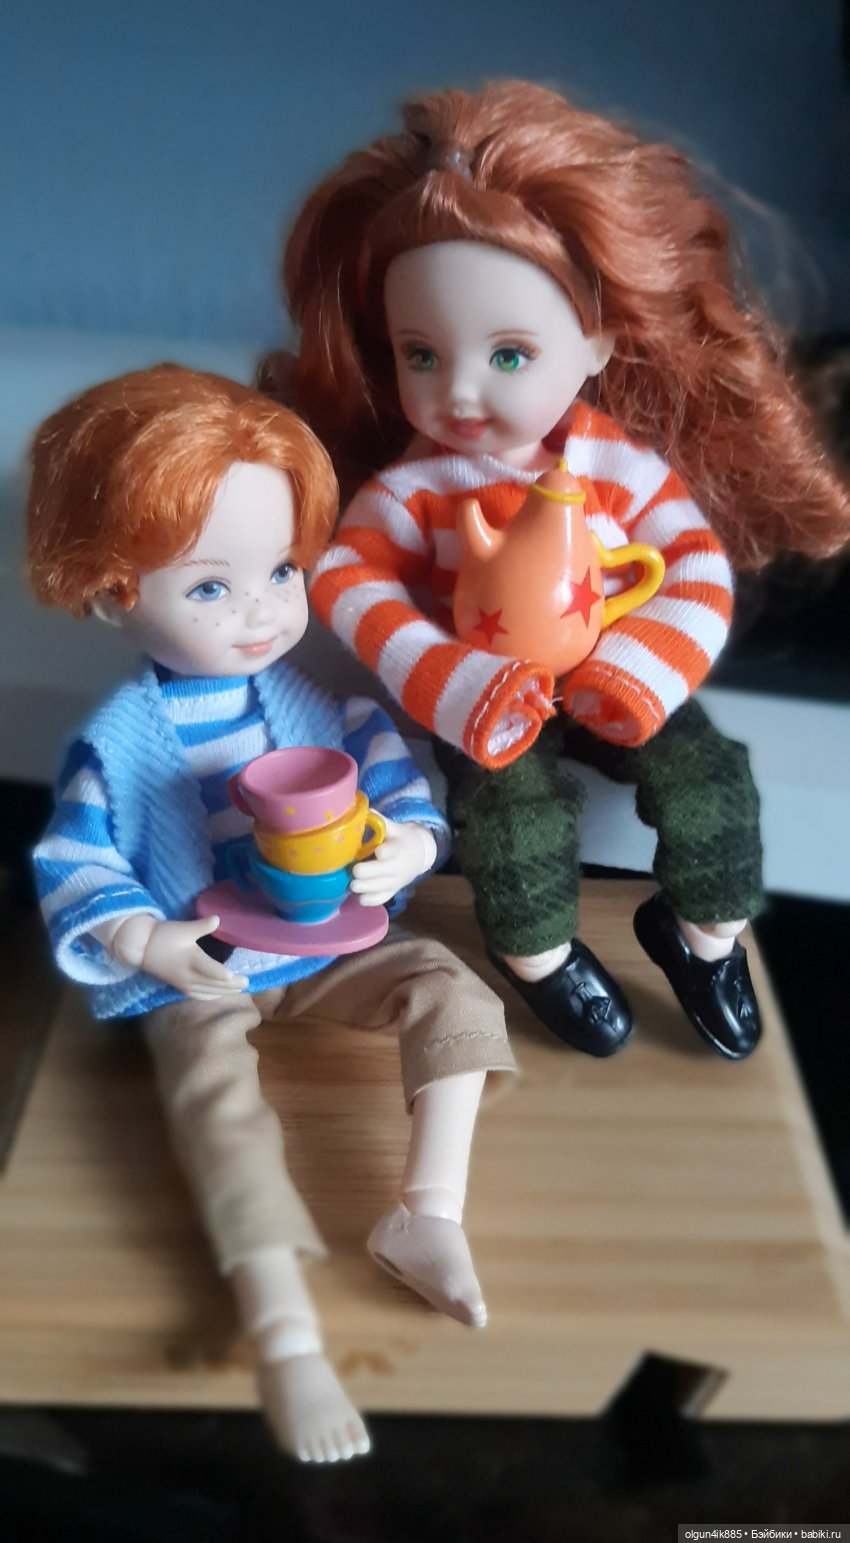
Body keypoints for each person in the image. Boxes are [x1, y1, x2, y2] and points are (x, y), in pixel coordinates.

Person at [266, 80, 850, 1062]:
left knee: (708, 777)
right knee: (510, 813)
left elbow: (693, 564)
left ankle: (705, 938)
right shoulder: (415, 490)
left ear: (597, 341)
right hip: (490, 695)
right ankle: (537, 955)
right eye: (420, 353)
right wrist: (459, 680)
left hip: (613, 676)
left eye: (508, 354)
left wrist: (635, 667)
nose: (457, 391)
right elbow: (349, 580)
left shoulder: (614, 465)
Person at [28, 364, 515, 1463]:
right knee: (220, 1107)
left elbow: (397, 792)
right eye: (210, 587)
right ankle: (285, 1335)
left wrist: (406, 848)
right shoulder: (120, 743)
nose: (261, 610)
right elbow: (77, 855)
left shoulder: (323, 709)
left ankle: (427, 1212)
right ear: (111, 593)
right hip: (201, 962)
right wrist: (143, 937)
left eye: (283, 571)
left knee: (450, 989)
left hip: (323, 943)